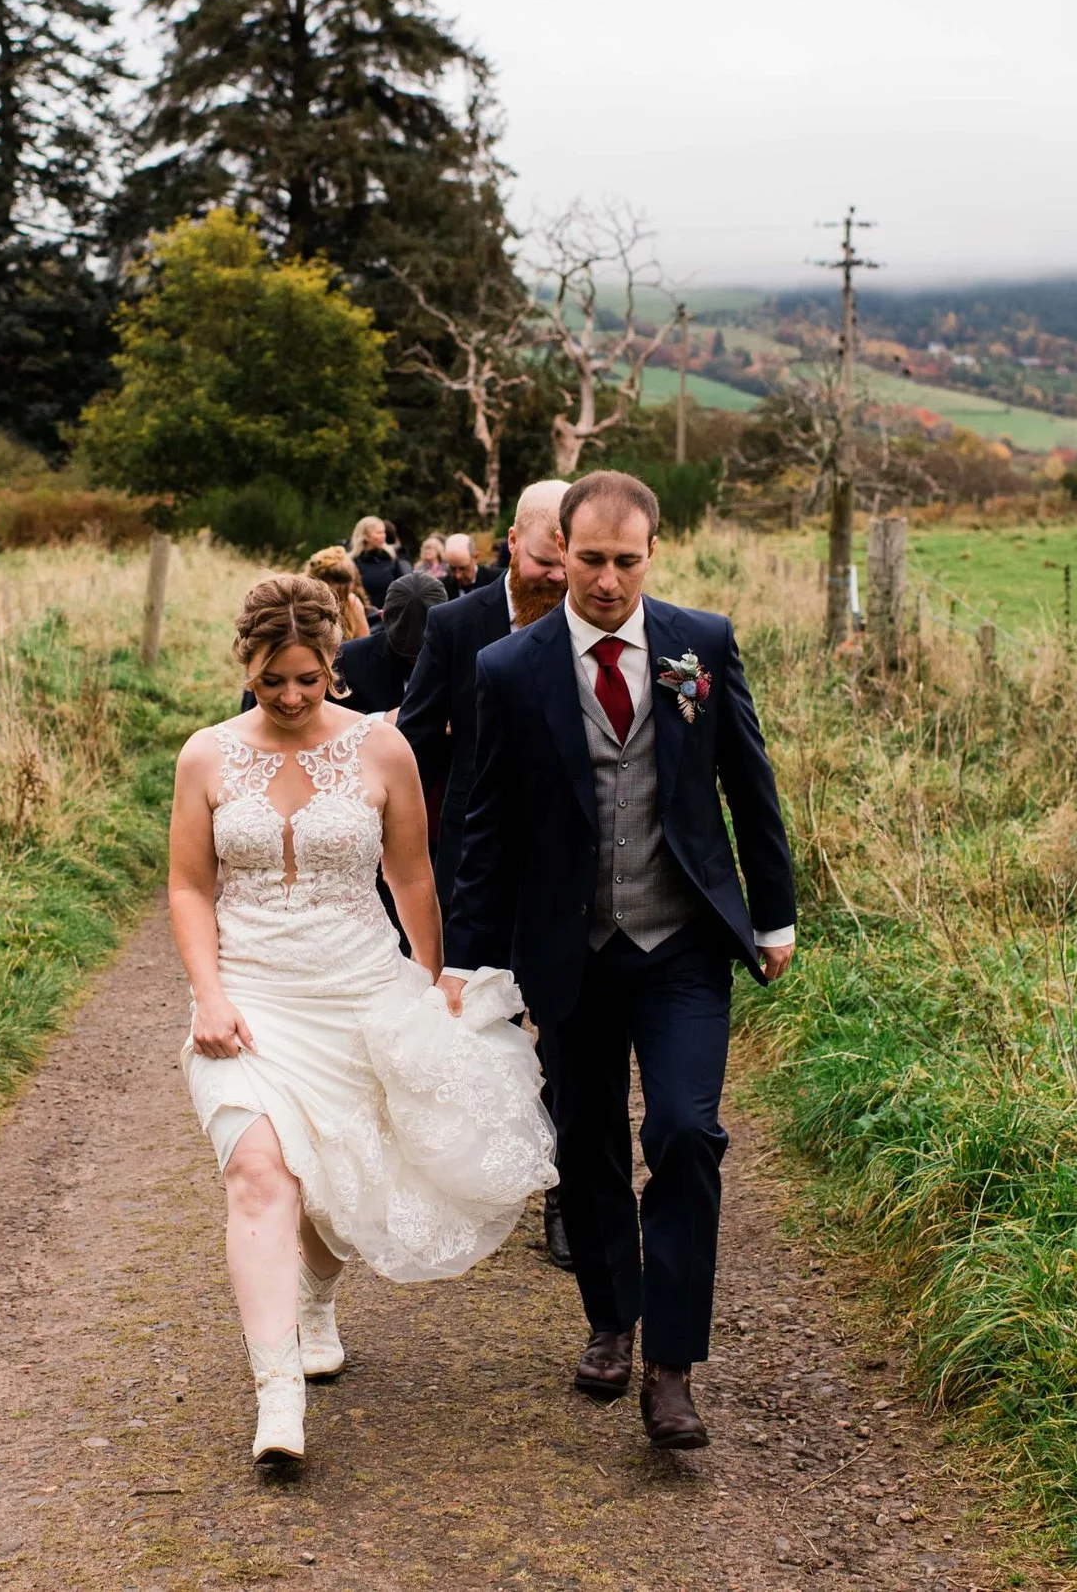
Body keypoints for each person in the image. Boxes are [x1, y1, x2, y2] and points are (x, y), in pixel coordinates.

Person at [438, 471, 797, 1452]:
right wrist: (466, 959)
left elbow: (747, 782)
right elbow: (488, 824)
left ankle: (671, 1366)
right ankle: (611, 1317)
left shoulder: (700, 644)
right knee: (586, 1139)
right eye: (587, 559)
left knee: (684, 1132)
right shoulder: (513, 668)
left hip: (681, 938)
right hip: (572, 943)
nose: (604, 579)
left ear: (652, 552)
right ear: (559, 549)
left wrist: (773, 915)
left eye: (624, 561)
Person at [168, 574, 556, 1469]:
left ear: (331, 664)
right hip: (252, 998)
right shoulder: (207, 757)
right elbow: (191, 886)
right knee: (261, 1172)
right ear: (248, 667)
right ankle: (278, 1400)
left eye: (308, 678)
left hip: (359, 989)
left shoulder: (383, 751)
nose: (293, 697)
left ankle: (313, 1297)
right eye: (273, 682)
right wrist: (209, 995)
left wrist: (435, 983)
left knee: (342, 1182)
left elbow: (413, 875)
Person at [396, 478, 573, 1265]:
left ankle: (569, 1194)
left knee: (570, 1032)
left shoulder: (605, 616)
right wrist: (401, 860)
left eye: (569, 566)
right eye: (546, 561)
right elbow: (416, 746)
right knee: (482, 1024)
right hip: (476, 859)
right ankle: (485, 1180)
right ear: (512, 543)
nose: (561, 580)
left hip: (574, 867)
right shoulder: (454, 623)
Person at [332, 570, 447, 718]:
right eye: (408, 656)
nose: (416, 664)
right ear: (381, 616)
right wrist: (381, 720)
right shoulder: (347, 661)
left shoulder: (465, 656)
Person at [303, 546, 372, 638]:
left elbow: (364, 642)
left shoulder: (352, 603)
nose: (338, 600)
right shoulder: (301, 606)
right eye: (334, 594)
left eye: (344, 595)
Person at [348, 516, 407, 611]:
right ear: (366, 536)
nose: (384, 536)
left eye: (384, 532)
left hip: (391, 614)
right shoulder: (353, 562)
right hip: (366, 615)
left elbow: (403, 586)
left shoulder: (391, 558)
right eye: (379, 532)